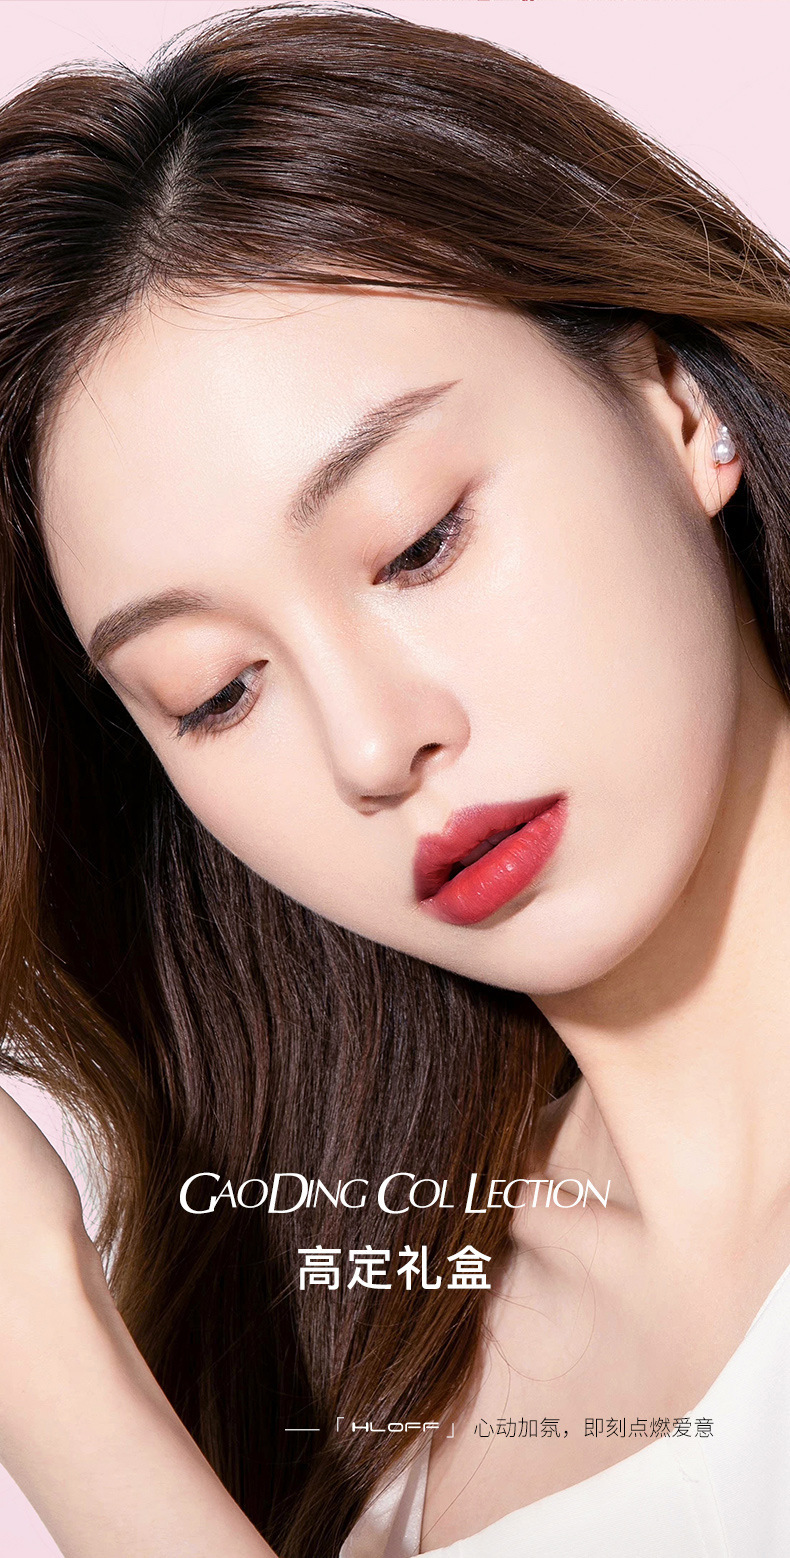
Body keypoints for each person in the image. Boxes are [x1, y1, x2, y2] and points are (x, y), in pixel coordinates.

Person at [1, 4, 789, 1555]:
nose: (372, 746)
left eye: (417, 543)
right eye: (217, 691)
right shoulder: (370, 1396)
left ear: (673, 403)